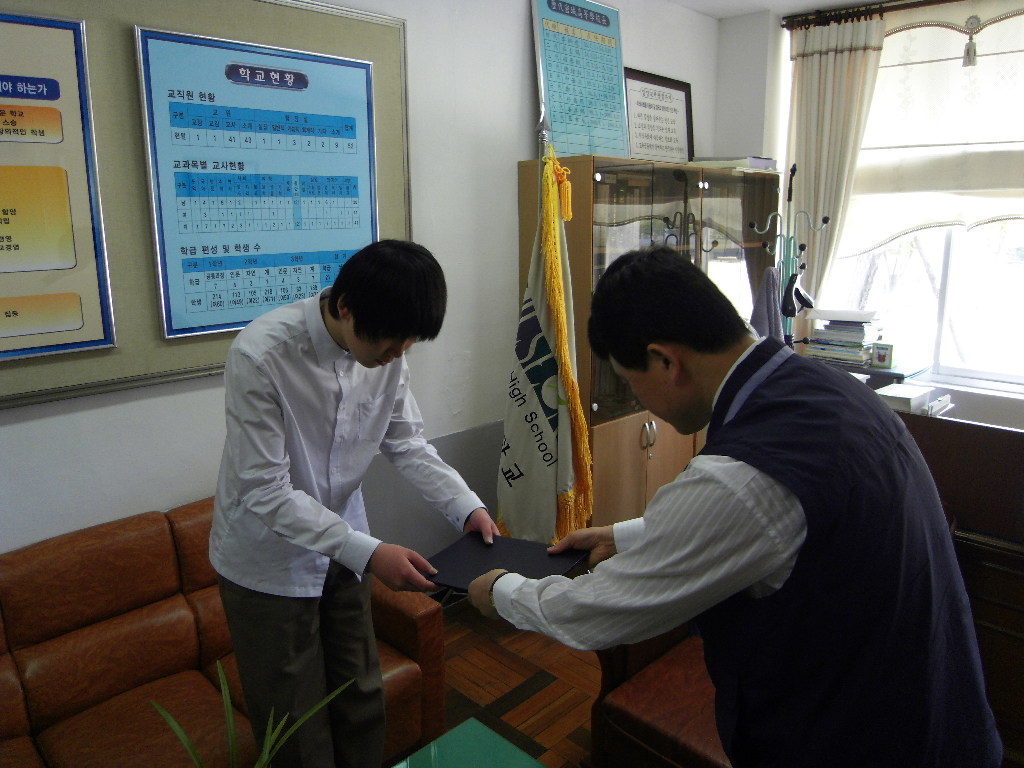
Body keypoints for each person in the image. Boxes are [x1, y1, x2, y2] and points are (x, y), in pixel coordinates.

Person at [468, 245, 1001, 767]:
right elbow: (776, 527)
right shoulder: (830, 387)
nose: (640, 398)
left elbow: (601, 611)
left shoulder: (744, 475)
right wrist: (623, 536)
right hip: (938, 711)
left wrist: (502, 592)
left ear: (665, 360)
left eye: (631, 382)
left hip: (853, 737)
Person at [211, 239, 499, 768]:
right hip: (268, 562)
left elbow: (407, 443)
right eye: (391, 340)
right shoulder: (262, 354)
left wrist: (466, 507)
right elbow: (264, 490)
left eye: (409, 342)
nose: (397, 354)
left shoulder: (388, 354)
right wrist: (370, 553)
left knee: (361, 692)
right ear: (345, 307)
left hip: (345, 547)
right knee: (294, 721)